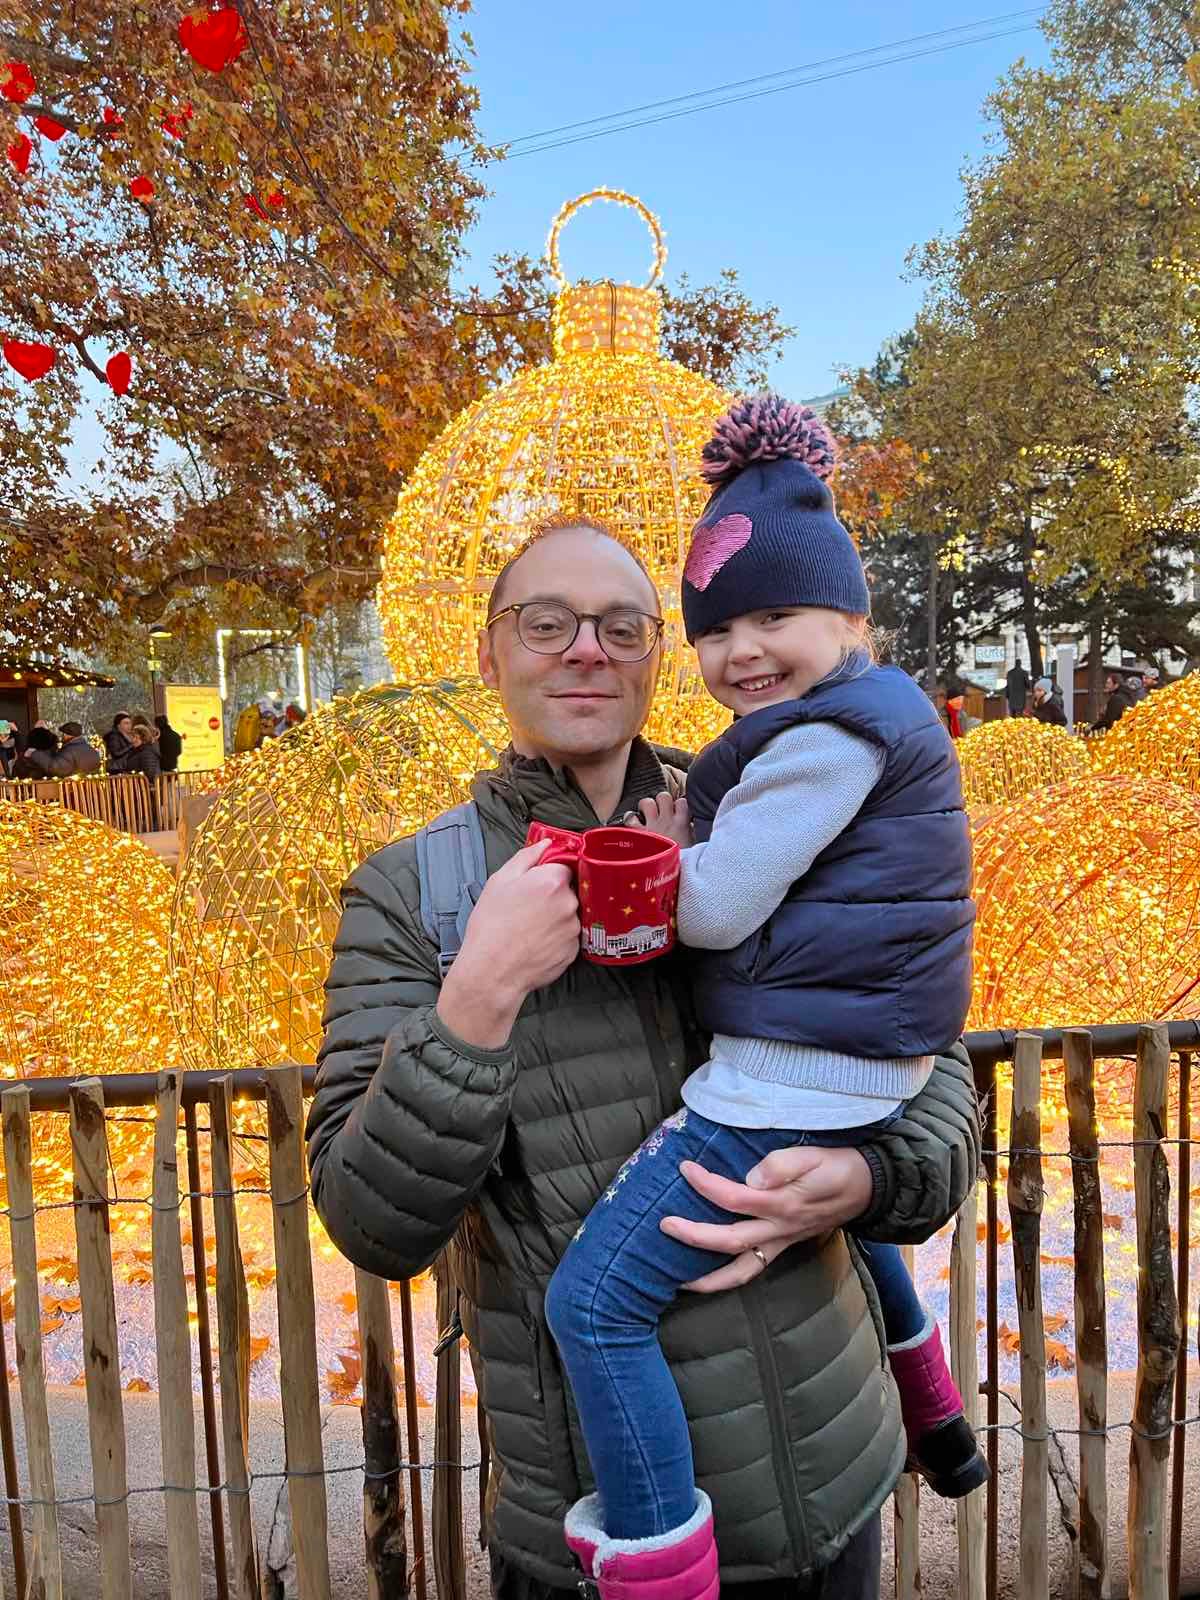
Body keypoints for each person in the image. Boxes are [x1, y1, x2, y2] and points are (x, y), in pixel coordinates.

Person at [305, 511, 981, 1600]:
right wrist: (476, 997)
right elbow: (371, 1222)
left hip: (833, 1471)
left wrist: (867, 1178)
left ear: (661, 657)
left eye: (623, 626)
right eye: (546, 623)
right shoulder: (414, 893)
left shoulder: (766, 807)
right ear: (489, 653)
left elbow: (922, 1048)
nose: (587, 649)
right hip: (600, 1533)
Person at [542, 397, 983, 1598]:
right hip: (861, 1061)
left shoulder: (814, 740)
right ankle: (931, 1402)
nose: (743, 650)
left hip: (799, 1067)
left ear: (851, 615)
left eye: (776, 615)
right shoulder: (859, 719)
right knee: (831, 1206)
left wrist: (650, 868)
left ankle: (659, 1570)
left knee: (590, 1307)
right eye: (717, 626)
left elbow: (720, 911)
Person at [23, 720, 101, 778]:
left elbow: (55, 768)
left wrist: (34, 753)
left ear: (68, 735)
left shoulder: (69, 751)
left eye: (63, 733)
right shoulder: (91, 750)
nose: (62, 735)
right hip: (89, 792)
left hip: (73, 792)